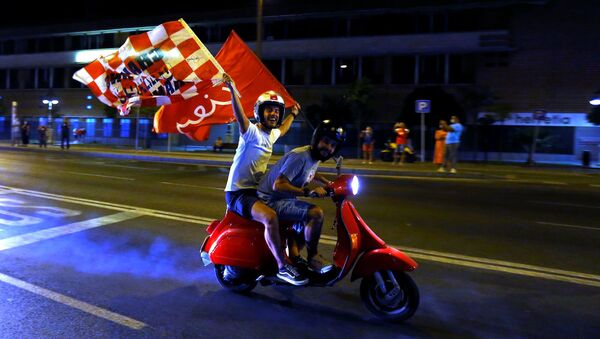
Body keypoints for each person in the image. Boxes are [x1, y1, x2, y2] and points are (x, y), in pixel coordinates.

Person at [222, 74, 307, 286]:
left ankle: (294, 256)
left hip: (258, 191)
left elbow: (284, 128)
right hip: (239, 193)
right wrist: (232, 89)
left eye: (277, 111)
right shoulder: (251, 132)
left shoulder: (271, 135)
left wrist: (293, 113)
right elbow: (239, 116)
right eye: (269, 109)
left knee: (295, 208)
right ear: (260, 112)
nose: (274, 114)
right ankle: (282, 267)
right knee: (270, 217)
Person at [258, 120, 346, 274]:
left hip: (284, 198)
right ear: (317, 139)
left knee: (303, 221)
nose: (328, 147)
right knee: (315, 213)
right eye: (326, 141)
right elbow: (278, 185)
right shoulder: (300, 156)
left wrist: (329, 183)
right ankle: (313, 257)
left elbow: (309, 172)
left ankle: (294, 256)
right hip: (270, 200)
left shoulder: (313, 156)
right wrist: (307, 192)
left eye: (333, 145)